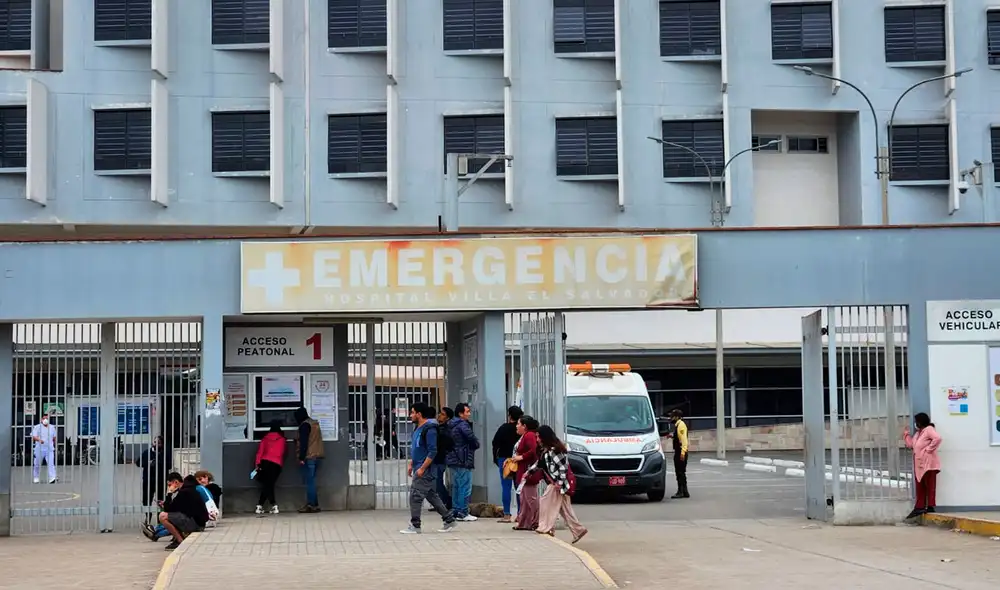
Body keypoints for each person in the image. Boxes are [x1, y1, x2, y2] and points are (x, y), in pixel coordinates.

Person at [400, 402, 457, 535]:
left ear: (419, 414)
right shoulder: (418, 428)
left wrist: (422, 468)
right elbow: (417, 448)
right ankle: (449, 519)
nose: (411, 415)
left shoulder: (430, 429)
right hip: (418, 466)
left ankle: (415, 525)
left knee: (415, 495)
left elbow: (432, 451)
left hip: (426, 469)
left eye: (412, 412)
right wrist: (411, 464)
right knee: (431, 495)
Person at [529, 425, 588, 544]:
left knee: (545, 502)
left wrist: (559, 483)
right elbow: (540, 464)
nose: (537, 439)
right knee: (565, 510)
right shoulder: (547, 451)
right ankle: (578, 530)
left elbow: (563, 468)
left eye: (538, 437)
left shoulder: (555, 451)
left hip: (557, 485)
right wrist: (529, 472)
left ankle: (546, 527)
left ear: (544, 437)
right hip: (558, 484)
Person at [904, 412, 942, 519]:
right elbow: (911, 444)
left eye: (917, 421)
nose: (915, 423)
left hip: (929, 464)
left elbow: (938, 438)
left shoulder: (929, 430)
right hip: (920, 464)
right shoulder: (918, 433)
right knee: (920, 485)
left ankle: (930, 506)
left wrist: (928, 450)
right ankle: (920, 506)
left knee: (930, 486)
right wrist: (906, 435)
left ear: (921, 422)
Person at [446, 402, 480, 521]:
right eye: (467, 412)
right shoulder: (463, 425)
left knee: (456, 486)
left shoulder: (450, 424)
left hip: (452, 458)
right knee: (465, 487)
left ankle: (455, 510)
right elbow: (472, 439)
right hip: (463, 458)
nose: (469, 414)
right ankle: (463, 512)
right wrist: (476, 444)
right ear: (461, 414)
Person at [158, 473, 210, 551]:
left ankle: (180, 540)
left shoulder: (184, 492)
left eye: (169, 485)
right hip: (199, 522)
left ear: (175, 482)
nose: (169, 487)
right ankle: (178, 538)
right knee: (171, 516)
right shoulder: (189, 488)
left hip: (196, 524)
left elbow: (168, 509)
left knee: (162, 516)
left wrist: (169, 494)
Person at [492, 405, 523, 523]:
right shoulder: (521, 430)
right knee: (519, 487)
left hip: (504, 460)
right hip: (518, 460)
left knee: (506, 487)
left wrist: (495, 458)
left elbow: (495, 443)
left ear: (509, 415)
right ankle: (520, 514)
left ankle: (506, 514)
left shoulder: (503, 428)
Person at [512, 415, 541, 531]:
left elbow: (533, 451)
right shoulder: (526, 435)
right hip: (524, 470)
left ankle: (535, 521)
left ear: (524, 426)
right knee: (524, 498)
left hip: (528, 471)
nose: (516, 426)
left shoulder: (529, 436)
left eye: (518, 424)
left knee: (530, 498)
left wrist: (521, 457)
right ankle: (524, 522)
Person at [295, 406, 324, 513]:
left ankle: (311, 505)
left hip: (309, 457)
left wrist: (301, 457)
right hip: (318, 456)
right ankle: (315, 505)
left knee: (309, 482)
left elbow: (304, 443)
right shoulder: (314, 423)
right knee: (312, 481)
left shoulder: (304, 426)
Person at [254, 420, 286, 514]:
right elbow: (282, 452)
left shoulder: (265, 438)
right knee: (269, 485)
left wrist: (257, 464)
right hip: (276, 464)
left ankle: (262, 506)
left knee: (267, 485)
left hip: (265, 463)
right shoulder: (282, 440)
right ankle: (271, 506)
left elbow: (260, 452)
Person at [433, 407, 455, 513]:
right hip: (437, 458)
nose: (439, 415)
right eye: (439, 413)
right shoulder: (438, 427)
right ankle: (440, 502)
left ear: (447, 418)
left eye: (442, 414)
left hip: (440, 458)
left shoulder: (445, 430)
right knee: (435, 482)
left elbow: (447, 444)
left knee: (437, 482)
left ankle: (446, 501)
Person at [31, 413, 57, 484]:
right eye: (44, 418)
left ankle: (52, 477)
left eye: (47, 418)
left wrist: (53, 445)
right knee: (37, 464)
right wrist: (39, 440)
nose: (45, 420)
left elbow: (54, 438)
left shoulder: (52, 427)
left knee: (51, 463)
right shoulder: (37, 427)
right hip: (39, 449)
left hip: (49, 449)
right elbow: (34, 436)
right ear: (41, 419)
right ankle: (36, 477)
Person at [670, 409, 690, 499]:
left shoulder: (681, 425)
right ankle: (685, 491)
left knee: (679, 472)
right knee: (682, 472)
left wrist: (682, 453)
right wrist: (672, 436)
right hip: (680, 451)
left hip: (680, 452)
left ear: (677, 417)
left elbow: (684, 440)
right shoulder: (678, 425)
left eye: (672, 416)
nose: (671, 418)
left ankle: (680, 491)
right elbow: (679, 437)